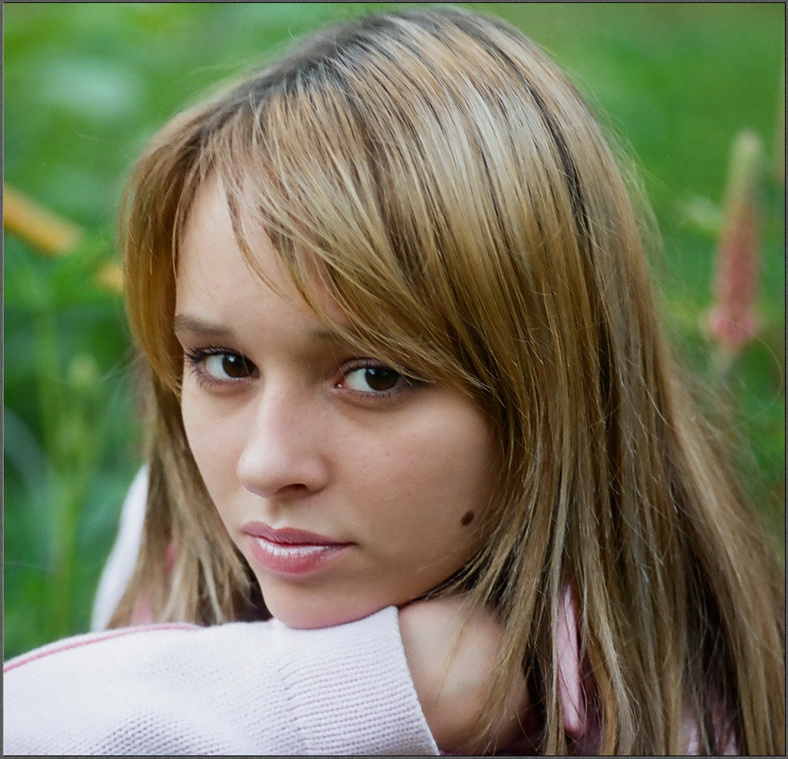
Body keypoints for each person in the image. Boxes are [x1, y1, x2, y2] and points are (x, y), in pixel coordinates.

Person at [4, 6, 784, 754]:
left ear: (551, 391)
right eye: (225, 363)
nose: (266, 465)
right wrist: (362, 689)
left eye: (374, 376)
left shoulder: (679, 718)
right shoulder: (173, 541)